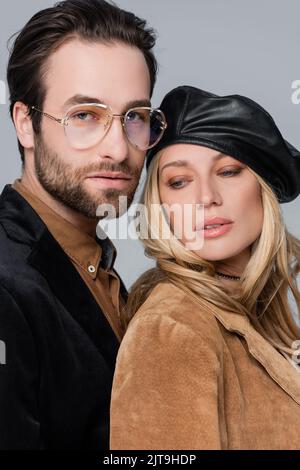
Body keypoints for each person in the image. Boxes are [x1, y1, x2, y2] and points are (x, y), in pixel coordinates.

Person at [0, 0, 167, 449]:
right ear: (26, 124)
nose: (117, 147)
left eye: (135, 117)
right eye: (84, 116)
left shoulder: (98, 264)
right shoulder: (7, 285)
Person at [110, 86, 300, 450]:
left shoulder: (254, 315)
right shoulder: (171, 329)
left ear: (263, 188)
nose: (205, 198)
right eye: (179, 182)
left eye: (228, 171)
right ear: (161, 203)